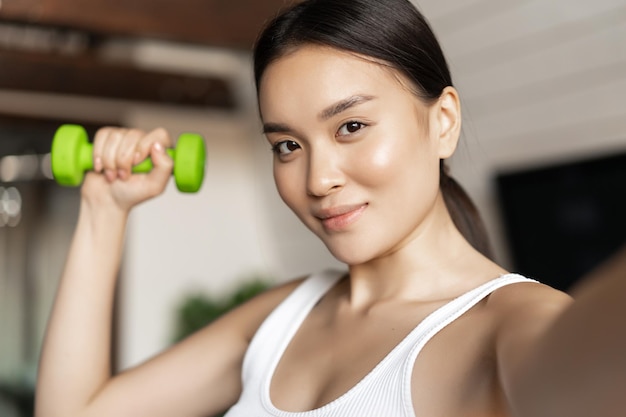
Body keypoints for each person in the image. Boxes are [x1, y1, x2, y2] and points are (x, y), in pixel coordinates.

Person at [35, 0, 626, 416]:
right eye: (287, 145)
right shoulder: (282, 315)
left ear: (442, 122)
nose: (317, 179)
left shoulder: (510, 325)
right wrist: (104, 209)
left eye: (351, 126)